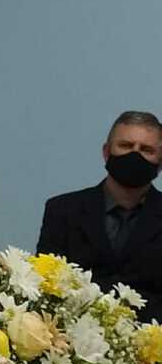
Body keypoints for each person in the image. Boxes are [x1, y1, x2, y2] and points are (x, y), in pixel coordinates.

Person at [37, 110, 162, 323]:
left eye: (146, 150)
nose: (135, 155)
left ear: (160, 161)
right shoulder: (62, 210)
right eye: (125, 146)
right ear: (106, 152)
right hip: (72, 334)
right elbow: (45, 281)